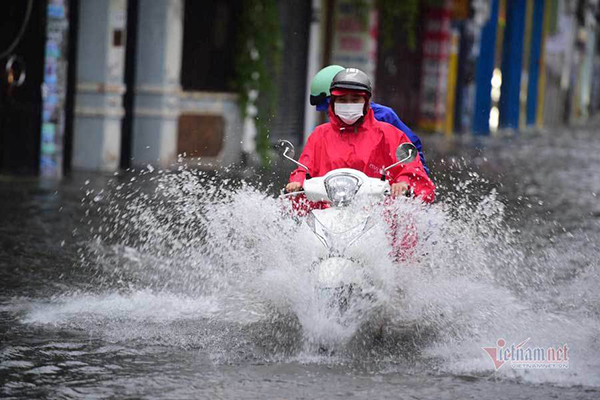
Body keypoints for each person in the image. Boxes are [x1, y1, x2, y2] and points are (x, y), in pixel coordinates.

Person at [286, 68, 434, 203]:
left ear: (367, 102)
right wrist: (297, 182)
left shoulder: (389, 133)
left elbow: (410, 166)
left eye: (355, 100)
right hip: (328, 214)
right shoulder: (319, 135)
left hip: (378, 214)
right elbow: (304, 168)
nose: (348, 105)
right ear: (333, 103)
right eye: (342, 100)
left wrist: (403, 183)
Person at [309, 65, 430, 176]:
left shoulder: (384, 117)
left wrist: (414, 177)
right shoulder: (323, 132)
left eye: (352, 99)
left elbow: (410, 147)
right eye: (341, 101)